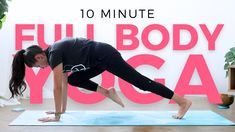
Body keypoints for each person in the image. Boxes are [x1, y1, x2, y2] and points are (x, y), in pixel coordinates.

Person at [9, 37, 192, 122]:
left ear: (40, 57)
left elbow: (56, 87)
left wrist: (56, 118)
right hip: (97, 61)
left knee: (141, 83)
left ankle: (182, 101)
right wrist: (61, 112)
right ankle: (107, 92)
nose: (40, 69)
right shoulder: (54, 57)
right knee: (74, 80)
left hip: (105, 55)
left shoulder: (54, 53)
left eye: (36, 66)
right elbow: (64, 83)